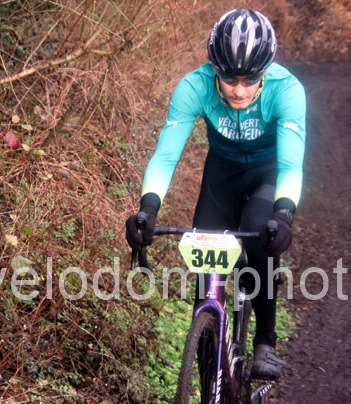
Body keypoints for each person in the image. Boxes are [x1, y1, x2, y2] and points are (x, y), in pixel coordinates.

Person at [125, 8, 306, 380]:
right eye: (229, 78)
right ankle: (211, 373)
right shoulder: (193, 87)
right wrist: (148, 208)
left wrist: (284, 214)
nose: (239, 90)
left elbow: (290, 166)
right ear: (214, 69)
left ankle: (265, 341)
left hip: (268, 173)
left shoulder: (287, 90)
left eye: (250, 79)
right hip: (221, 173)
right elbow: (166, 155)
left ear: (265, 71)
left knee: (260, 231)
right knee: (206, 269)